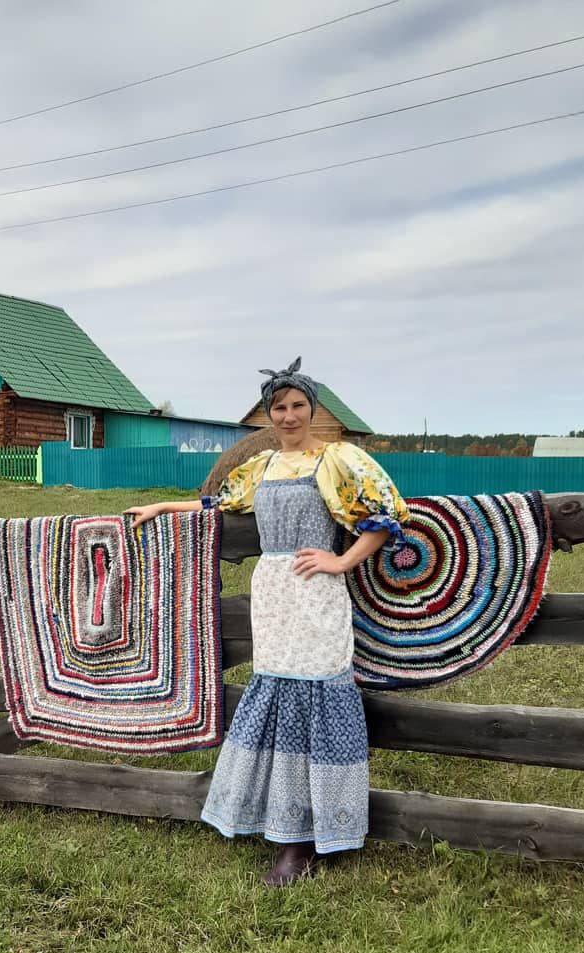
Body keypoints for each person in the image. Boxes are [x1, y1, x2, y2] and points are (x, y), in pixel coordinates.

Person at [125, 359, 410, 886]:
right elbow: (216, 504)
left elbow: (388, 515)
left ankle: (314, 835)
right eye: (279, 407)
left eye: (298, 405)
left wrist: (341, 561)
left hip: (316, 592)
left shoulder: (339, 459)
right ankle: (283, 826)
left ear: (313, 409)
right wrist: (162, 506)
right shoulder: (262, 466)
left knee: (316, 692)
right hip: (274, 593)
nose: (289, 415)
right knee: (276, 692)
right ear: (269, 414)